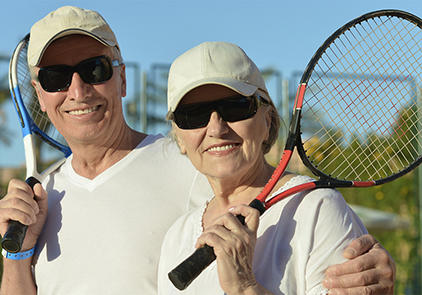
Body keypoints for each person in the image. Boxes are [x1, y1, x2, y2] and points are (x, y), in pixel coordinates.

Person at [0, 6, 394, 295]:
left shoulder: (199, 167)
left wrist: (372, 269)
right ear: (39, 93)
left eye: (95, 70)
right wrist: (17, 258)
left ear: (121, 78)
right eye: (55, 77)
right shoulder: (179, 233)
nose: (78, 89)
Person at [157, 41, 393, 295]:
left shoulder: (317, 209)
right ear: (179, 138)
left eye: (235, 107)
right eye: (193, 115)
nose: (216, 129)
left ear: (267, 121)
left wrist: (245, 287)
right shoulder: (177, 236)